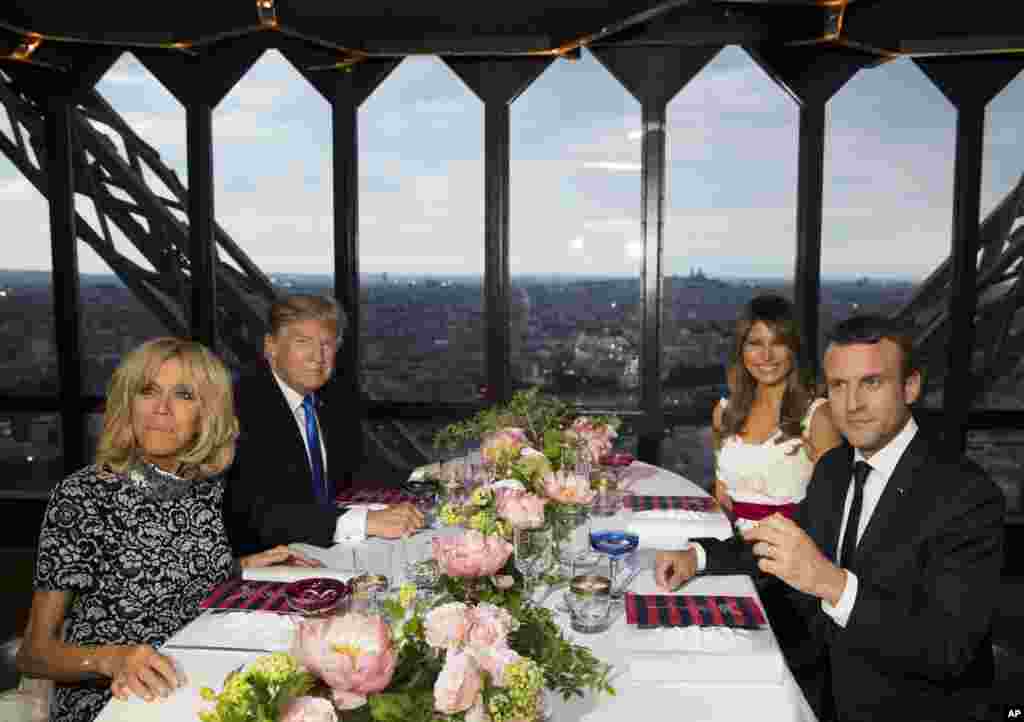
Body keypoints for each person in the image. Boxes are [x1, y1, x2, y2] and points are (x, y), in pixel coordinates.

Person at [656, 314, 1004, 722]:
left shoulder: (967, 496)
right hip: (823, 690)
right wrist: (698, 557)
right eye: (839, 385)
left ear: (910, 387)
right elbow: (789, 544)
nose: (852, 404)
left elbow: (949, 648)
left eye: (871, 383)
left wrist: (831, 584)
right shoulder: (836, 468)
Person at [16, 338, 320, 722]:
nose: (161, 408)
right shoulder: (85, 496)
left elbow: (174, 576)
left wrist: (243, 567)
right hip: (113, 699)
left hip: (196, 677)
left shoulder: (206, 487)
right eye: (148, 391)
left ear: (206, 414)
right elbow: (33, 653)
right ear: (129, 403)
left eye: (183, 394)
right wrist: (114, 658)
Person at [224, 294, 422, 555]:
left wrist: (428, 474)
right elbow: (257, 518)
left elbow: (356, 469)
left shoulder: (329, 398)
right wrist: (365, 521)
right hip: (267, 563)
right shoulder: (240, 408)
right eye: (302, 342)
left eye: (327, 344)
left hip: (322, 549)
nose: (317, 356)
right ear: (270, 346)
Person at [711, 295, 842, 527]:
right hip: (728, 551)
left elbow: (830, 513)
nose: (767, 356)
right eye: (755, 343)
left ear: (794, 349)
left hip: (791, 554)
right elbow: (722, 499)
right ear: (741, 350)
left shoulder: (819, 417)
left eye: (778, 342)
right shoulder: (725, 412)